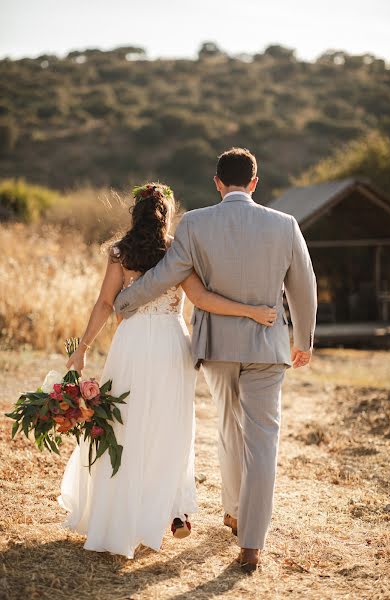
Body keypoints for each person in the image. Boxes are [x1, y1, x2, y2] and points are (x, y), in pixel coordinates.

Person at [114, 148, 318, 572]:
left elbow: (168, 273)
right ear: (255, 183)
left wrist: (127, 299)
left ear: (218, 183)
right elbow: (304, 286)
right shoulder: (285, 225)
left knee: (228, 426)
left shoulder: (196, 222)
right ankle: (251, 543)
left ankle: (234, 510)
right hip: (268, 348)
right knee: (263, 442)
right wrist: (304, 338)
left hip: (219, 348)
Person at [58, 181, 278, 559]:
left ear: (136, 212)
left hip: (132, 344)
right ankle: (174, 511)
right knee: (173, 427)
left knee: (124, 426)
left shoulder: (120, 252)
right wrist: (251, 311)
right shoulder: (178, 249)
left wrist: (81, 350)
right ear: (167, 213)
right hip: (172, 347)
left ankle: (124, 514)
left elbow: (104, 304)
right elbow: (203, 299)